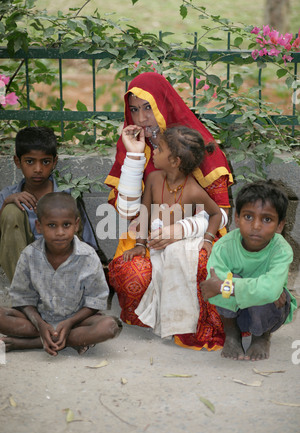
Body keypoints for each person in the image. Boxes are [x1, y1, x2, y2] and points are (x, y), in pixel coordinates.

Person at [105, 72, 233, 351]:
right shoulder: (134, 148)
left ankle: (195, 322)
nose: (140, 119)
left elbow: (221, 213)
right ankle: (162, 317)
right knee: (131, 275)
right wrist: (136, 156)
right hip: (149, 236)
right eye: (134, 109)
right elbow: (129, 213)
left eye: (148, 107)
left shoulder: (196, 145)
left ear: (163, 104)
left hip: (197, 237)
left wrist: (181, 230)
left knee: (199, 265)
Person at [122, 126, 228, 340]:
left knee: (185, 265)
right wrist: (140, 244)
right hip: (155, 244)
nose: (155, 152)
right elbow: (144, 213)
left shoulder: (193, 190)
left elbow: (216, 214)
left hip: (180, 245)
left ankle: (182, 320)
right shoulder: (153, 179)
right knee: (136, 270)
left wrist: (208, 239)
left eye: (159, 149)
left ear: (175, 161)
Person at [0, 192, 122, 356]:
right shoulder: (29, 255)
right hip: (36, 320)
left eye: (66, 225)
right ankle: (70, 340)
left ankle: (29, 343)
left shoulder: (88, 256)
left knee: (110, 326)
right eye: (51, 225)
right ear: (39, 226)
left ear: (76, 224)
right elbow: (22, 298)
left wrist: (70, 322)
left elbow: (96, 300)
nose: (60, 232)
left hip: (78, 321)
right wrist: (40, 324)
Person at [200, 180, 297, 361]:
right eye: (248, 217)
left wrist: (225, 286)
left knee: (267, 292)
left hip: (270, 312)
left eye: (267, 219)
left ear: (280, 225)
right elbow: (212, 284)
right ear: (237, 218)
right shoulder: (224, 246)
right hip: (236, 315)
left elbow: (268, 290)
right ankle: (232, 334)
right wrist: (261, 288)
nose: (256, 226)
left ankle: (261, 337)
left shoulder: (281, 250)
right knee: (233, 282)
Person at [0, 126, 98, 282]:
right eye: (30, 161)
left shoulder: (67, 194)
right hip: (26, 272)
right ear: (17, 162)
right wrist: (6, 203)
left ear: (54, 162)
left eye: (45, 162)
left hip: (63, 270)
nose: (38, 169)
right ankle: (25, 297)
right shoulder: (8, 196)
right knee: (11, 211)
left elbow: (86, 242)